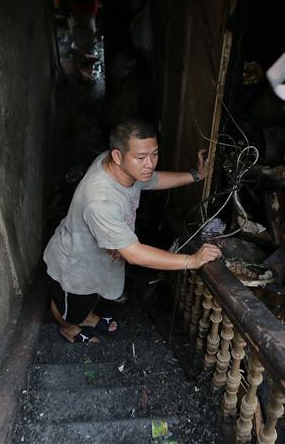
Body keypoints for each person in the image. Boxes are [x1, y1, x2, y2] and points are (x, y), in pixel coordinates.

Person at [43, 120, 223, 343]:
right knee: (71, 306)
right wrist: (190, 260)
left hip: (99, 260)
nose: (150, 164)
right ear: (118, 156)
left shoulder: (122, 168)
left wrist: (196, 175)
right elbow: (134, 253)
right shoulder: (100, 200)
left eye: (154, 154)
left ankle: (88, 318)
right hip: (76, 264)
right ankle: (68, 328)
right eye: (141, 157)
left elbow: (153, 180)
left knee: (92, 297)